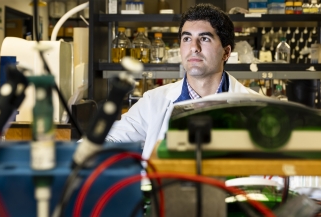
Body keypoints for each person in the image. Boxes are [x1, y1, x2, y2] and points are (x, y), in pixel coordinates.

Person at [106, 3, 259, 159]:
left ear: (226, 53)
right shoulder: (153, 102)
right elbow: (109, 141)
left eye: (204, 38)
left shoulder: (257, 107)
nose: (194, 47)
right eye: (187, 38)